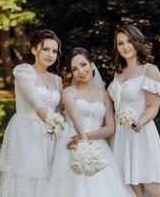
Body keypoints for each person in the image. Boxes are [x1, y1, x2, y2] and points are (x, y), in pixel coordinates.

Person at [41, 47, 136, 197]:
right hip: (71, 144)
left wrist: (85, 137)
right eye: (75, 68)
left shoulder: (104, 96)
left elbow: (111, 128)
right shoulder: (69, 92)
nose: (80, 71)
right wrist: (81, 139)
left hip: (98, 146)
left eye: (83, 65)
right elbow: (74, 115)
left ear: (92, 65)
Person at [108, 25, 160, 197]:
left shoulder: (150, 70)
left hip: (140, 135)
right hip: (121, 139)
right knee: (133, 192)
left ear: (137, 41)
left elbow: (152, 107)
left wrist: (140, 122)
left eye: (129, 41)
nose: (125, 46)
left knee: (159, 190)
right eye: (120, 43)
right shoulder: (118, 73)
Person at [0, 29, 63, 197]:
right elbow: (35, 102)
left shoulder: (57, 80)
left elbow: (59, 110)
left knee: (47, 182)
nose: (50, 54)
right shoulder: (24, 72)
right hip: (27, 134)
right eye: (46, 49)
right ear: (34, 50)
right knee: (27, 181)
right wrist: (56, 125)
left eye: (54, 51)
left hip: (50, 138)